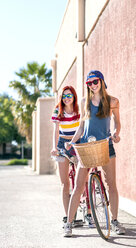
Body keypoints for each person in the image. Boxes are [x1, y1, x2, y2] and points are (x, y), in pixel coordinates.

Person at [64, 70, 125, 237]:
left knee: (111, 184)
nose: (92, 85)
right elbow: (81, 127)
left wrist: (116, 134)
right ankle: (68, 224)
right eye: (89, 83)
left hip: (106, 145)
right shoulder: (85, 102)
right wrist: (72, 141)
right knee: (78, 186)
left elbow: (117, 123)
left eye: (95, 81)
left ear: (102, 81)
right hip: (87, 147)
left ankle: (115, 221)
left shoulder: (113, 101)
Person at [51, 85, 80, 226]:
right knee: (64, 183)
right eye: (64, 96)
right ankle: (69, 217)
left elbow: (82, 128)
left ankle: (87, 210)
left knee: (81, 181)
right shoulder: (58, 110)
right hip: (62, 143)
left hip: (76, 143)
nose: (67, 98)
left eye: (69, 95)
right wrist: (54, 147)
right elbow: (56, 130)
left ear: (74, 96)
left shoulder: (79, 110)